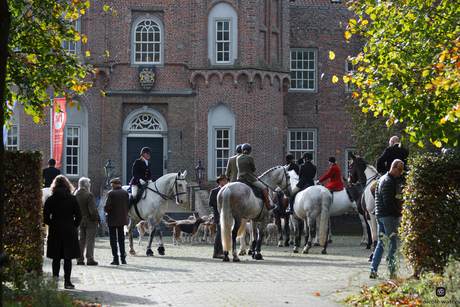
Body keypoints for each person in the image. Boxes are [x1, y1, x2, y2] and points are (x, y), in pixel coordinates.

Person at [43, 175, 82, 289]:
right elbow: (79, 215)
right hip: (69, 228)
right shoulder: (72, 198)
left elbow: (45, 216)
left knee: (56, 257)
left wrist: (52, 223)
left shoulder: (50, 199)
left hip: (55, 228)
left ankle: (55, 281)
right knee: (68, 257)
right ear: (67, 185)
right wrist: (74, 225)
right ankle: (67, 281)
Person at [369, 159, 404, 279]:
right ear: (393, 168)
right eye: (399, 170)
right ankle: (392, 271)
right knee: (392, 243)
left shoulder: (382, 179)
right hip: (388, 216)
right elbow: (388, 202)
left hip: (380, 215)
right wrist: (398, 213)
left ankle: (373, 270)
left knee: (381, 243)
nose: (401, 173)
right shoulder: (389, 181)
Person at [237, 143, 277, 211]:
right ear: (249, 151)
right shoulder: (250, 157)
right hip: (249, 178)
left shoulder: (238, 158)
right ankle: (268, 204)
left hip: (240, 178)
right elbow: (253, 169)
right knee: (264, 188)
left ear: (242, 150)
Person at [74, 177, 100, 266]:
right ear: (86, 186)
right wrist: (96, 219)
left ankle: (79, 258)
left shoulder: (75, 194)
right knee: (90, 240)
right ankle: (90, 258)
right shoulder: (89, 195)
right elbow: (92, 209)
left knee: (81, 240)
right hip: (89, 220)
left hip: (80, 219)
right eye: (89, 184)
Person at [104, 177, 130, 265]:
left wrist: (106, 210)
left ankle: (116, 258)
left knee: (113, 239)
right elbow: (127, 205)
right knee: (121, 239)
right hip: (122, 219)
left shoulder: (111, 193)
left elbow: (107, 206)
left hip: (112, 219)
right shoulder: (125, 193)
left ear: (113, 185)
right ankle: (123, 258)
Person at [208, 174, 228, 259]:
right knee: (219, 233)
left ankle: (222, 251)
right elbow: (211, 202)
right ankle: (216, 252)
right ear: (219, 182)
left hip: (227, 215)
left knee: (224, 233)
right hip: (219, 215)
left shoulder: (228, 191)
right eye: (223, 180)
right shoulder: (215, 191)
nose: (225, 182)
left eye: (226, 181)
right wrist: (221, 205)